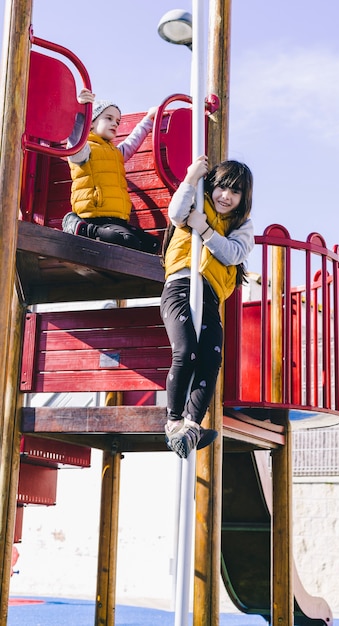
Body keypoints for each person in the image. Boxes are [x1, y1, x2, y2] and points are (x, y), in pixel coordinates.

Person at [161, 154, 254, 459]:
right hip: (180, 285)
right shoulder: (196, 201)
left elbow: (233, 254)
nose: (226, 196)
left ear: (244, 197)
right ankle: (173, 421)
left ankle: (191, 425)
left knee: (212, 356)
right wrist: (190, 178)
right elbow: (175, 214)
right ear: (212, 186)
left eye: (235, 191)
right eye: (222, 187)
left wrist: (205, 230)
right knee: (186, 349)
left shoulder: (241, 225)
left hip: (210, 294)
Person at [62, 88, 160, 254]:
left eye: (117, 121)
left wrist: (149, 120)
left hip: (117, 220)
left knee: (153, 245)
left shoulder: (116, 153)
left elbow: (132, 142)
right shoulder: (85, 150)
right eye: (108, 118)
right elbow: (76, 140)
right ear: (91, 122)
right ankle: (79, 227)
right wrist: (81, 113)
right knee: (127, 241)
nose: (115, 123)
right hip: (94, 216)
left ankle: (93, 230)